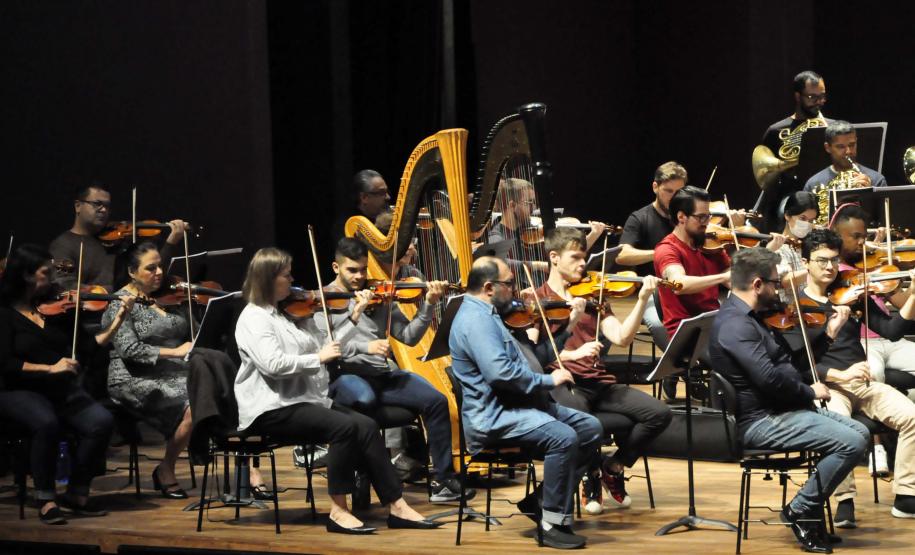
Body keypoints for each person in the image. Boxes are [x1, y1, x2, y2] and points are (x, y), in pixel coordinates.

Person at [234, 247, 440, 534]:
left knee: (367, 425)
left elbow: (328, 345)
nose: (293, 281)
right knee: (344, 427)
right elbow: (273, 365)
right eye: (286, 275)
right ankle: (339, 511)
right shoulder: (255, 318)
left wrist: (353, 317)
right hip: (272, 408)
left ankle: (397, 505)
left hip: (303, 401)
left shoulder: (287, 316)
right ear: (268, 278)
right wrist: (317, 359)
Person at [709, 246, 868, 554]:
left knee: (859, 433)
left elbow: (793, 366)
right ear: (757, 285)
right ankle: (800, 510)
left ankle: (806, 509)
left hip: (783, 410)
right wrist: (811, 391)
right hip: (761, 421)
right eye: (775, 281)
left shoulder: (753, 317)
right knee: (851, 442)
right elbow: (769, 380)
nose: (780, 286)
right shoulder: (735, 326)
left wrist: (828, 336)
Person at [449, 256, 603, 549]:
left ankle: (542, 501)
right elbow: (501, 375)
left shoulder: (492, 314)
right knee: (564, 437)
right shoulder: (475, 320)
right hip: (494, 416)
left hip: (521, 405)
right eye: (510, 284)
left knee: (590, 428)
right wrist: (549, 381)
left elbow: (534, 358)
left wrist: (568, 330)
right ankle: (551, 523)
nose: (516, 290)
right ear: (489, 287)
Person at [312, 237, 473, 503]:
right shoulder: (323, 300)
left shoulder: (380, 295)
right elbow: (326, 348)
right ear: (335, 267)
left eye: (363, 269)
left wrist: (429, 304)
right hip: (345, 375)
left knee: (436, 400)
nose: (360, 276)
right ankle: (362, 477)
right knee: (363, 399)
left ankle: (443, 481)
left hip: (382, 375)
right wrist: (364, 341)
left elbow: (409, 337)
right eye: (352, 270)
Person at [536, 227, 671, 515]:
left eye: (584, 257)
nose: (583, 264)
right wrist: (574, 353)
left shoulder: (594, 296)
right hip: (565, 382)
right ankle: (589, 476)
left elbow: (622, 337)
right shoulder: (537, 300)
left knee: (659, 413)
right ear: (554, 258)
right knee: (584, 423)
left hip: (599, 383)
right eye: (575, 257)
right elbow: (534, 352)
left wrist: (642, 300)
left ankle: (612, 466)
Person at [102, 242, 249, 499]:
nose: (159, 272)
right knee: (195, 403)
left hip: (176, 369)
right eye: (151, 268)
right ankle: (166, 468)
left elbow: (194, 334)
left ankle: (243, 470)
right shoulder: (119, 303)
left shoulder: (170, 296)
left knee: (221, 390)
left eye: (160, 265)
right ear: (132, 272)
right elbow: (130, 351)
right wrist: (176, 352)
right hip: (132, 376)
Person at [790, 228, 915, 527]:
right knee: (844, 430)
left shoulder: (851, 293)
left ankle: (905, 494)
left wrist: (912, 297)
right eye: (821, 261)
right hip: (829, 387)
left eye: (833, 260)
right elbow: (797, 365)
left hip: (864, 384)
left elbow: (892, 331)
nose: (830, 268)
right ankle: (843, 500)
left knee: (913, 415)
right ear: (805, 262)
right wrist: (840, 374)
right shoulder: (795, 306)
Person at [0, 244, 134, 524]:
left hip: (59, 389)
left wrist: (118, 320)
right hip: (17, 389)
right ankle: (46, 498)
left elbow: (87, 348)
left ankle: (76, 492)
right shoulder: (5, 314)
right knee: (46, 423)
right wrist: (50, 368)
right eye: (45, 273)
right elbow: (6, 364)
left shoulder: (58, 311)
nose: (53, 280)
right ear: (25, 276)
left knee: (101, 421)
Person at [830, 205, 915, 476]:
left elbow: (895, 325)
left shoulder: (873, 268)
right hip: (862, 344)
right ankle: (876, 447)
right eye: (855, 237)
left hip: (887, 340)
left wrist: (908, 290)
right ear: (836, 235)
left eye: (864, 236)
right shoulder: (834, 276)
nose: (862, 243)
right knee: (872, 372)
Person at [49, 182, 189, 291]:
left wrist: (171, 242)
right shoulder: (63, 244)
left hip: (126, 310)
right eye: (97, 204)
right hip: (91, 319)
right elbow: (63, 285)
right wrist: (110, 292)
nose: (104, 210)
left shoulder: (117, 243)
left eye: (107, 206)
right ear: (78, 206)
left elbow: (152, 275)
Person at [616, 161, 687, 349]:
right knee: (658, 324)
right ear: (655, 187)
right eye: (669, 191)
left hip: (686, 287)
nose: (674, 198)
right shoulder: (640, 218)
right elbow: (622, 255)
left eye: (679, 192)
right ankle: (677, 368)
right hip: (653, 292)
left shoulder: (687, 218)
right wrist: (661, 253)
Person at [757, 70, 833, 232]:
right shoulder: (776, 131)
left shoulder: (833, 129)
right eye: (812, 97)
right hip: (792, 194)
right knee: (791, 212)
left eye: (822, 96)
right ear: (798, 96)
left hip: (827, 192)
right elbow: (767, 177)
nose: (820, 101)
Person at [803, 120, 888, 198]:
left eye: (852, 145)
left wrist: (869, 194)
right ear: (827, 147)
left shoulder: (877, 180)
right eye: (840, 147)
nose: (848, 151)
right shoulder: (813, 184)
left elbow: (884, 214)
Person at [774, 191, 819, 301]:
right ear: (787, 215)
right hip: (789, 310)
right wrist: (815, 269)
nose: (807, 224)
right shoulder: (777, 245)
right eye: (803, 218)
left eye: (811, 220)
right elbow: (785, 281)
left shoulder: (809, 245)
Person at [331, 169, 392, 242]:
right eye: (382, 193)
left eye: (387, 192)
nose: (388, 197)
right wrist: (378, 229)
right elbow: (355, 252)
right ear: (364, 197)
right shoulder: (345, 226)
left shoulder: (391, 221)